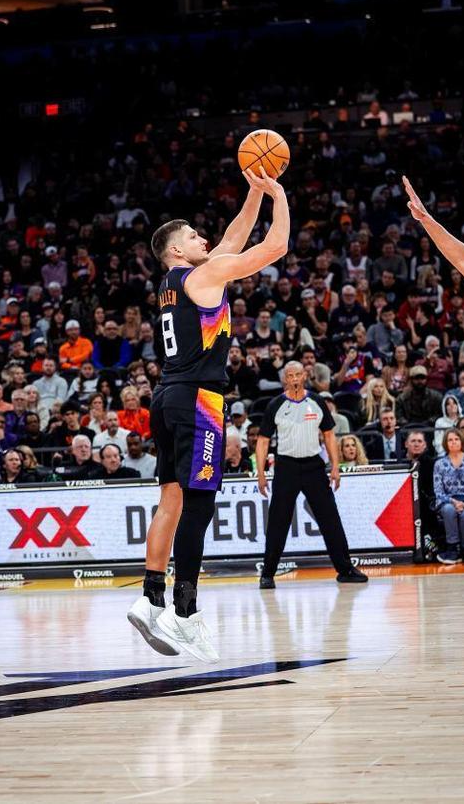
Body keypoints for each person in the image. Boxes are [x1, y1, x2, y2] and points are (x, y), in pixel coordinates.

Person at [127, 165, 290, 663]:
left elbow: (233, 238)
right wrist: (279, 196)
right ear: (177, 250)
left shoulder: (173, 283)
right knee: (198, 505)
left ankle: (149, 598)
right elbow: (274, 248)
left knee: (170, 500)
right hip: (199, 400)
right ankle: (185, 612)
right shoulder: (204, 275)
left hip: (166, 397)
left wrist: (253, 193)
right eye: (195, 236)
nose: (205, 239)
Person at [254, 361, 367, 588]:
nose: (295, 379)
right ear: (285, 379)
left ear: (305, 376)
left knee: (330, 518)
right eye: (290, 375)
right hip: (286, 466)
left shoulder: (316, 402)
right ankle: (267, 574)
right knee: (278, 521)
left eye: (298, 374)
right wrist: (261, 474)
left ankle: (345, 569)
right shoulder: (275, 405)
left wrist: (335, 466)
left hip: (314, 466)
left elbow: (329, 435)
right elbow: (263, 441)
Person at [432, 428, 464, 564]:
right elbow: (438, 492)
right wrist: (453, 502)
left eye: (456, 439)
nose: (453, 442)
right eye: (450, 440)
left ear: (461, 441)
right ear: (445, 443)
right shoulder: (439, 464)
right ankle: (453, 547)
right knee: (449, 510)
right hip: (448, 501)